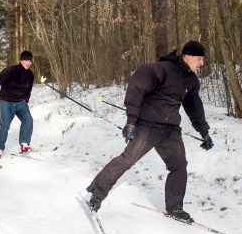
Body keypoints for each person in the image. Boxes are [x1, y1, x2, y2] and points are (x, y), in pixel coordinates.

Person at [86, 40, 213, 222]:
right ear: (187, 57)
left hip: (170, 130)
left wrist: (204, 131)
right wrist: (131, 121)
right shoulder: (160, 69)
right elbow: (136, 89)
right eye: (199, 59)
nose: (202, 63)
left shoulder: (191, 80)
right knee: (128, 159)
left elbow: (194, 107)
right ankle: (96, 195)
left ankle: (175, 209)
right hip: (147, 126)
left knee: (179, 166)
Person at [0, 50, 35, 158]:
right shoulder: (10, 70)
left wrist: (25, 102)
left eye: (30, 61)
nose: (28, 63)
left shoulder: (30, 75)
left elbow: (28, 91)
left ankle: (24, 143)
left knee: (28, 120)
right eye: (26, 60)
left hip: (20, 103)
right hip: (6, 102)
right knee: (5, 124)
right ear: (21, 61)